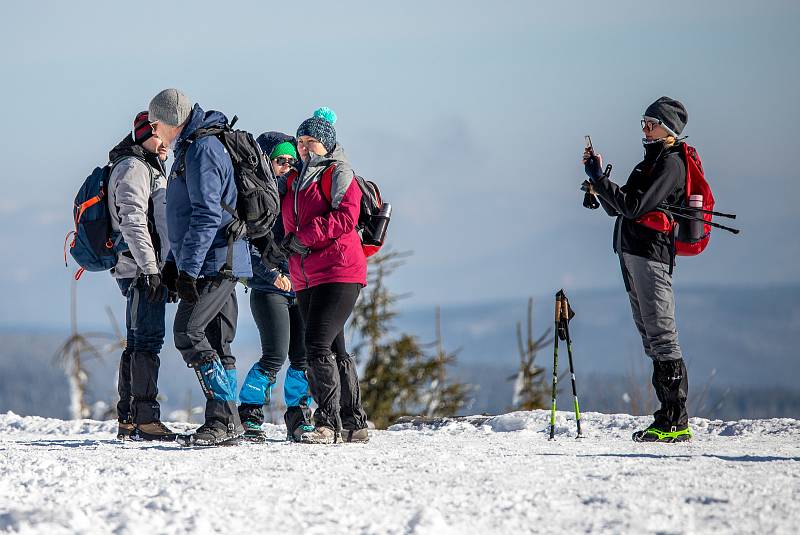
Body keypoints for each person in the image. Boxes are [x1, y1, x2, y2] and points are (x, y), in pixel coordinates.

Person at [583, 96, 692, 443]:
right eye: (643, 122)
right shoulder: (649, 162)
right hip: (632, 253)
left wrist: (601, 180)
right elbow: (620, 208)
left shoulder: (670, 165)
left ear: (668, 129)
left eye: (651, 122)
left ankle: (675, 420)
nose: (644, 128)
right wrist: (597, 187)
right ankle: (666, 417)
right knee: (650, 335)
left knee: (661, 334)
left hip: (650, 254)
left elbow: (633, 205)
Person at [149, 88, 252, 447]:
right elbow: (186, 216)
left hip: (216, 260)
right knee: (217, 341)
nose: (153, 129)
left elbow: (208, 215)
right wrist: (173, 266)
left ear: (170, 121)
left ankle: (223, 416)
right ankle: (228, 422)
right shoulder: (192, 147)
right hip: (216, 258)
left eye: (155, 122)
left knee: (188, 332)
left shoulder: (203, 150)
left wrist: (188, 271)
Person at [281, 107, 369, 444]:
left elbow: (346, 218)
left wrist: (302, 239)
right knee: (335, 346)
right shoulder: (294, 180)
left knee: (315, 344)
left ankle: (328, 422)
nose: (304, 147)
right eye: (301, 141)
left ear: (327, 143)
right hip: (306, 275)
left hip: (339, 269)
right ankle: (354, 421)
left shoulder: (338, 173)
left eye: (312, 141)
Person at [237, 131, 314, 442]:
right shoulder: (255, 198)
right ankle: (251, 411)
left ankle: (298, 416)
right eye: (280, 160)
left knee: (302, 357)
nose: (287, 166)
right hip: (270, 290)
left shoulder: (297, 196)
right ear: (267, 161)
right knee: (274, 356)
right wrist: (272, 275)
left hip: (299, 287)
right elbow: (245, 246)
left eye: (291, 161)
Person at [108, 111, 176, 441]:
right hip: (140, 270)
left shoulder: (146, 165)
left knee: (138, 342)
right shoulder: (135, 167)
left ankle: (129, 417)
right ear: (143, 135)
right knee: (147, 341)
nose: (165, 141)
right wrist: (152, 269)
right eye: (158, 134)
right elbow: (133, 220)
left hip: (142, 268)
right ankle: (145, 418)